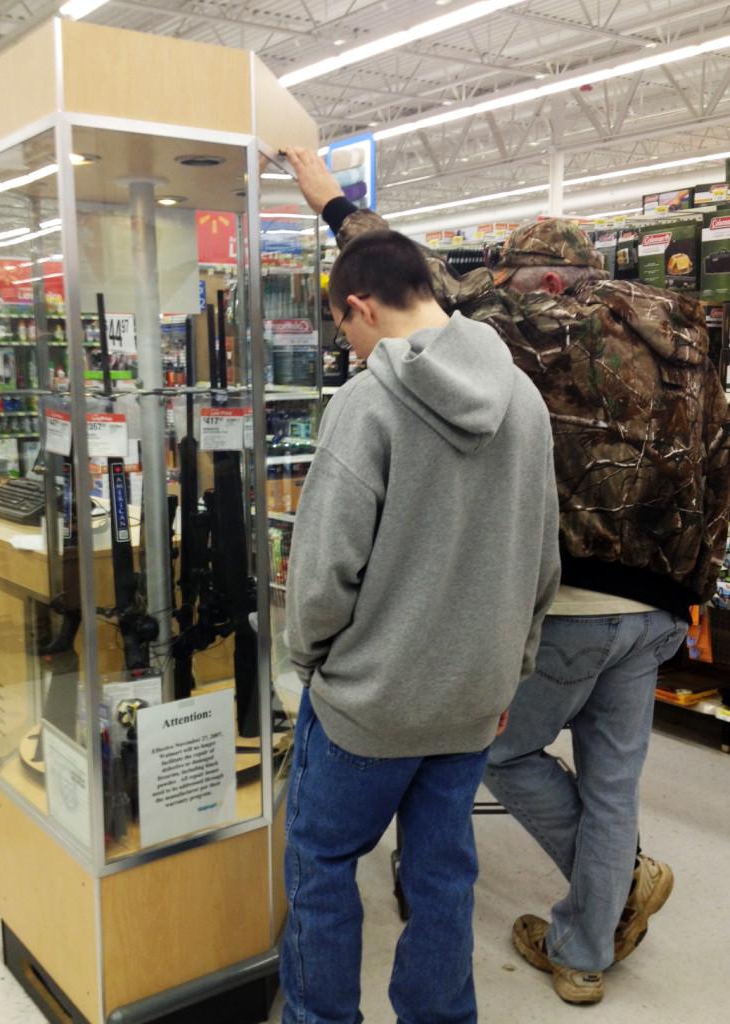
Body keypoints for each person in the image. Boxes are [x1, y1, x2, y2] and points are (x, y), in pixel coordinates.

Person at [283, 146, 730, 1007]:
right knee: (576, 803)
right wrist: (688, 591)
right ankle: (564, 957)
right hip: (624, 618)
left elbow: (322, 575)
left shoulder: (433, 368)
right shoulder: (659, 334)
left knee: (346, 850)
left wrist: (334, 201)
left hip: (441, 666)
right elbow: (696, 468)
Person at [281, 227, 561, 1023]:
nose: (350, 347)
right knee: (442, 877)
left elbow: (323, 574)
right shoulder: (526, 403)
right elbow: (544, 558)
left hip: (366, 706)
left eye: (344, 328)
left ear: (360, 307)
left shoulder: (365, 405)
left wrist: (315, 663)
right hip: (473, 701)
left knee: (322, 865)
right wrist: (512, 670)